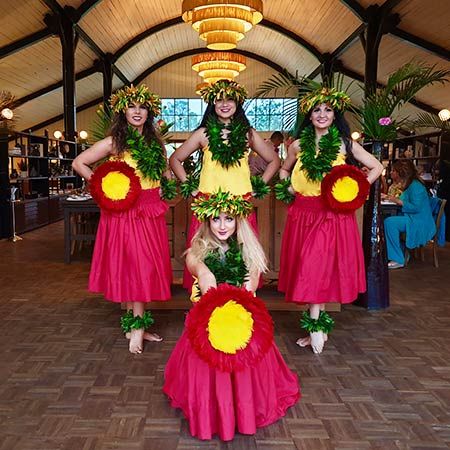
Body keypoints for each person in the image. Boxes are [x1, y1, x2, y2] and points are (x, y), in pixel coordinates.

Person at [163, 191, 300, 441]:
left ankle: (243, 409)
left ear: (239, 221)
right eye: (216, 219)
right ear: (207, 222)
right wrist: (207, 279)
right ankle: (213, 410)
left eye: (228, 219)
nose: (222, 225)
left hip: (241, 323)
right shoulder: (197, 250)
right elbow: (200, 271)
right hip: (209, 325)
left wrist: (239, 309)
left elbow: (251, 284)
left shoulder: (250, 252)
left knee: (246, 359)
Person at [277, 86, 383, 354]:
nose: (322, 114)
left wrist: (355, 191)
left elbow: (377, 167)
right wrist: (287, 186)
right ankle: (317, 326)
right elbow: (283, 169)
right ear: (309, 116)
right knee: (313, 269)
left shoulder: (346, 144)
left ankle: (315, 329)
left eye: (328, 110)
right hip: (303, 213)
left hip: (332, 216)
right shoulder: (298, 145)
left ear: (335, 115)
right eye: (317, 110)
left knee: (316, 268)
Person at [72, 84, 173, 354]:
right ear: (123, 111)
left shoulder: (156, 144)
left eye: (142, 107)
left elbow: (165, 177)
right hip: (125, 213)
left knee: (143, 267)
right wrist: (104, 187)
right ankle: (137, 329)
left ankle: (133, 325)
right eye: (132, 107)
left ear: (148, 112)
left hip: (150, 211)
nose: (137, 112)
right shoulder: (114, 142)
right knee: (134, 267)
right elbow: (79, 162)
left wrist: (166, 185)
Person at [169, 79, 280, 289]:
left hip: (240, 204)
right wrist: (190, 186)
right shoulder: (203, 134)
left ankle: (239, 303)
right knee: (206, 260)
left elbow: (274, 161)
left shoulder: (248, 133)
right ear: (212, 104)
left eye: (229, 99)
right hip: (208, 204)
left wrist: (259, 185)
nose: (224, 104)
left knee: (242, 258)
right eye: (219, 100)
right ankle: (206, 304)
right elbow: (175, 159)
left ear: (238, 103)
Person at [382, 159, 436, 269]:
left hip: (418, 220)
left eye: (394, 171)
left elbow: (415, 207)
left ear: (401, 173)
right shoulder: (410, 184)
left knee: (389, 223)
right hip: (412, 217)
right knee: (388, 219)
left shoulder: (415, 186)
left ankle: (398, 259)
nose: (393, 173)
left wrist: (395, 200)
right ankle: (398, 251)